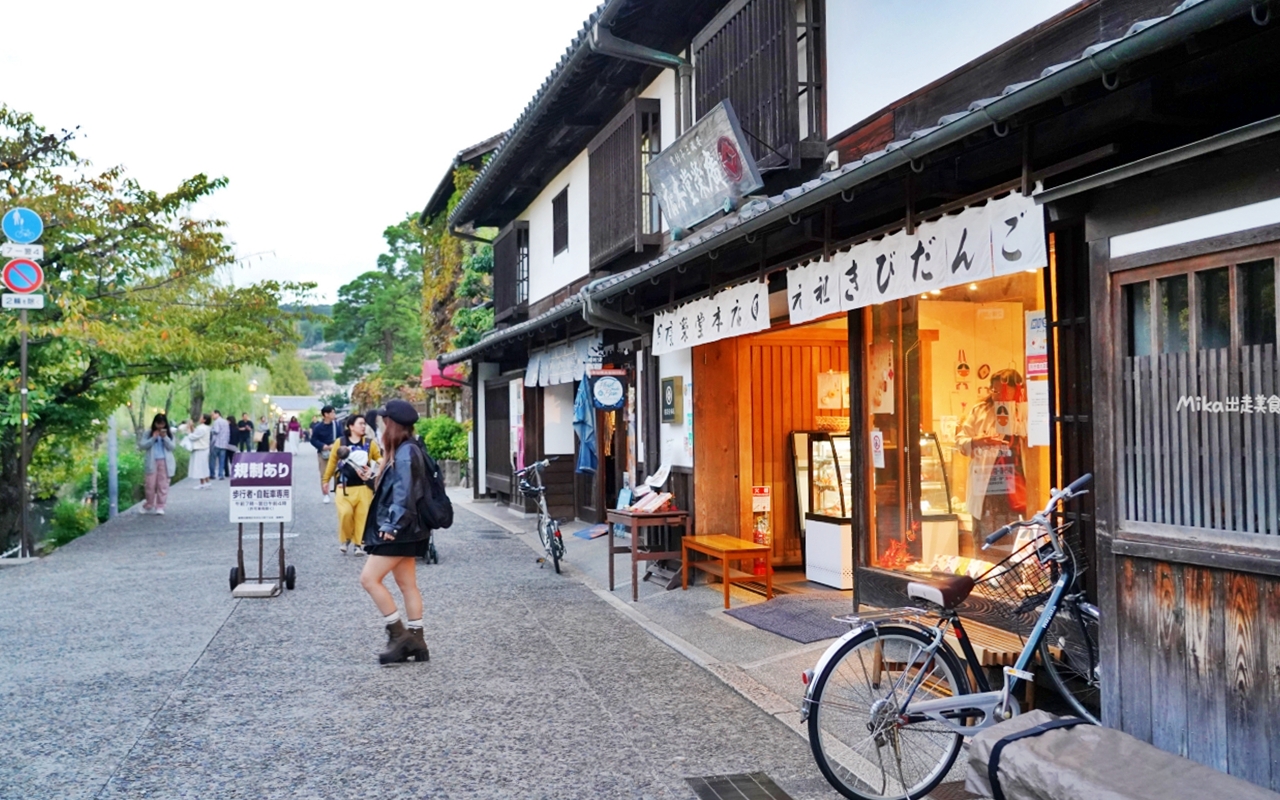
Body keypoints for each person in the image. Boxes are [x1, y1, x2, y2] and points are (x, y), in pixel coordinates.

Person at [358, 400, 431, 665]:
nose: (381, 426)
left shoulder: (404, 452)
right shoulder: (408, 449)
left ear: (392, 424)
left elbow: (405, 492)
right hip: (409, 528)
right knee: (407, 584)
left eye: (384, 421)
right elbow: (398, 488)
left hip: (398, 529)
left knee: (368, 579)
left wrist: (391, 525)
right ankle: (418, 640)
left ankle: (399, 635)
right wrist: (371, 479)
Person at [956, 368, 1028, 554]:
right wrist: (978, 441)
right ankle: (985, 573)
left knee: (1017, 536)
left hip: (1016, 484)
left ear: (1015, 390)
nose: (997, 395)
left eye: (1003, 391)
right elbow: (960, 441)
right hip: (986, 485)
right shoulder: (980, 411)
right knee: (985, 537)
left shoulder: (1025, 411)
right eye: (994, 391)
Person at [324, 414, 382, 555]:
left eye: (364, 424)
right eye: (360, 423)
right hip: (343, 487)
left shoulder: (369, 443)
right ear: (351, 426)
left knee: (362, 516)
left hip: (364, 487)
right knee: (345, 513)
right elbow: (332, 462)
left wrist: (377, 467)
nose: (364, 426)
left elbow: (380, 458)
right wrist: (325, 480)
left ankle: (358, 544)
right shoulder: (340, 442)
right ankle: (346, 538)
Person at [138, 413, 176, 514]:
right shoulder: (148, 433)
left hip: (164, 462)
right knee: (150, 485)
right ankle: (149, 504)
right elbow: (142, 445)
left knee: (163, 485)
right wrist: (153, 438)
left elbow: (172, 447)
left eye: (162, 424)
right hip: (152, 461)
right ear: (154, 423)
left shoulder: (169, 434)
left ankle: (160, 506)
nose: (160, 426)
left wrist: (165, 438)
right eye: (158, 424)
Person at [310, 405, 341, 505]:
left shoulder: (337, 425)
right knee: (324, 474)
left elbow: (342, 436)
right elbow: (313, 440)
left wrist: (336, 444)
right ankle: (325, 494)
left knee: (338, 473)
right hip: (323, 453)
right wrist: (323, 446)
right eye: (332, 412)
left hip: (336, 453)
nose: (334, 414)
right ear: (326, 414)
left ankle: (338, 493)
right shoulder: (318, 427)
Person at [186, 414, 213, 489]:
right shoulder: (206, 428)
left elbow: (193, 436)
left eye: (201, 417)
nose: (199, 418)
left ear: (204, 420)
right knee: (204, 466)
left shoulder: (201, 428)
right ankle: (206, 482)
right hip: (204, 448)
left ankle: (203, 483)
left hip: (200, 449)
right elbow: (196, 433)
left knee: (200, 466)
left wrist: (188, 430)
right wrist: (191, 427)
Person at [210, 410, 232, 480]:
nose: (212, 416)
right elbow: (228, 433)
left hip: (217, 443)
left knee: (212, 459)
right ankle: (221, 475)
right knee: (222, 460)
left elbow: (216, 431)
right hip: (224, 444)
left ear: (217, 414)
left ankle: (212, 474)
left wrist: (210, 429)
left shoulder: (216, 422)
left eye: (213, 415)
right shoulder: (225, 422)